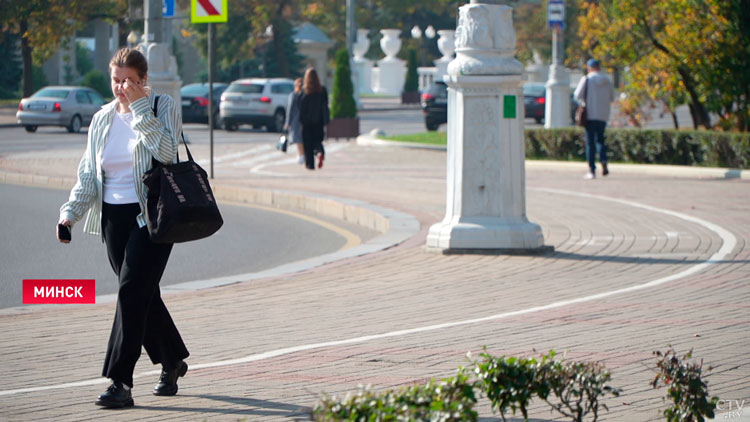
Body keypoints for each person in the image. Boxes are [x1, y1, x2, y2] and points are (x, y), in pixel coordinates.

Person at [57, 47, 189, 409]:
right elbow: (89, 174)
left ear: (143, 80)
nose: (120, 88)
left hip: (154, 216)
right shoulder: (101, 119)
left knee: (130, 294)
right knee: (142, 294)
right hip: (113, 220)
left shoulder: (163, 108)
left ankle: (120, 381)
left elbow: (165, 152)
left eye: (127, 81)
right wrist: (70, 214)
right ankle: (173, 361)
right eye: (115, 81)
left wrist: (140, 109)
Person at [574, 58, 614, 179]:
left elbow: (577, 95)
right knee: (600, 140)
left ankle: (592, 169)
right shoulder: (607, 79)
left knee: (590, 143)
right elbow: (611, 97)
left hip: (590, 114)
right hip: (603, 115)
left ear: (589, 68)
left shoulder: (587, 79)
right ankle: (603, 160)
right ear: (599, 67)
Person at [299, 67, 329, 170]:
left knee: (308, 145)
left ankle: (310, 165)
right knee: (317, 141)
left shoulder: (304, 91)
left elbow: (301, 107)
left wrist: (301, 120)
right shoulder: (322, 90)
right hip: (319, 122)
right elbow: (325, 105)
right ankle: (320, 152)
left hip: (306, 123)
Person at [284, 78, 305, 164]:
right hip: (306, 120)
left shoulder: (293, 95)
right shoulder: (305, 94)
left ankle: (301, 155)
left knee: (298, 138)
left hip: (296, 120)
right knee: (303, 138)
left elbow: (290, 109)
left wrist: (287, 122)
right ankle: (304, 155)